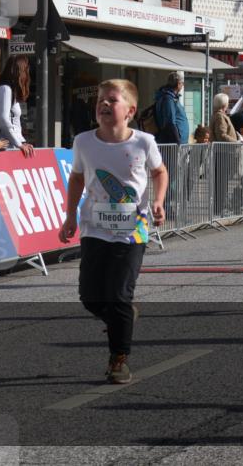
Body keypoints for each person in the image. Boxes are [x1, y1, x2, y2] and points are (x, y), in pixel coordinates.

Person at [58, 79, 168, 384]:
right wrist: (69, 216)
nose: (104, 104)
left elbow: (159, 172)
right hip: (94, 227)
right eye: (100, 101)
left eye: (112, 100)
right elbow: (77, 178)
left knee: (119, 294)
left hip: (132, 230)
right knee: (90, 297)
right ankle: (122, 318)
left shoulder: (144, 142)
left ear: (130, 111)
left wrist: (159, 201)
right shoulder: (83, 141)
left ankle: (119, 359)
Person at [0, 55, 35, 157]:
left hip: (11, 145)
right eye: (25, 69)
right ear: (19, 71)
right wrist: (19, 144)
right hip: (6, 147)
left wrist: (21, 142)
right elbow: (3, 119)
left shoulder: (9, 91)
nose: (27, 73)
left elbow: (14, 122)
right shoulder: (5, 90)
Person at [153, 71, 190, 145]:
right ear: (178, 84)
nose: (183, 85)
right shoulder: (168, 99)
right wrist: (177, 141)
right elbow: (170, 123)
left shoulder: (171, 98)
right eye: (182, 83)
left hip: (177, 143)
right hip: (173, 144)